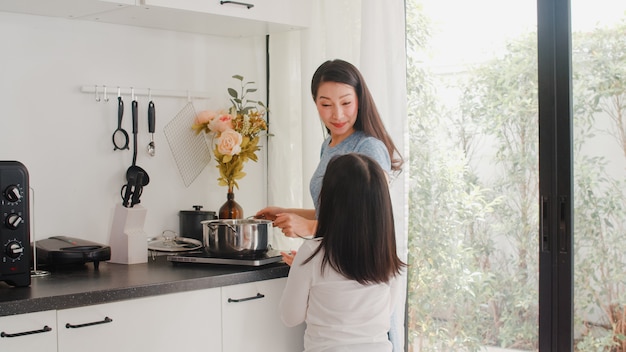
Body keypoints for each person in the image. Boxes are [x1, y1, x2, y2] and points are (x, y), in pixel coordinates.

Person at [255, 59, 403, 265]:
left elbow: (370, 221)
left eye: (346, 103)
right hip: (331, 261)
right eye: (326, 104)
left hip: (357, 270)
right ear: (315, 102)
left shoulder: (369, 148)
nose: (337, 114)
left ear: (360, 100)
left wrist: (308, 227)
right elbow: (334, 211)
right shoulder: (328, 146)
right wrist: (285, 212)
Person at [279, 153, 406, 352]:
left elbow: (290, 317)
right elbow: (385, 312)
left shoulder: (312, 253)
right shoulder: (388, 255)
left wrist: (301, 270)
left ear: (330, 201)